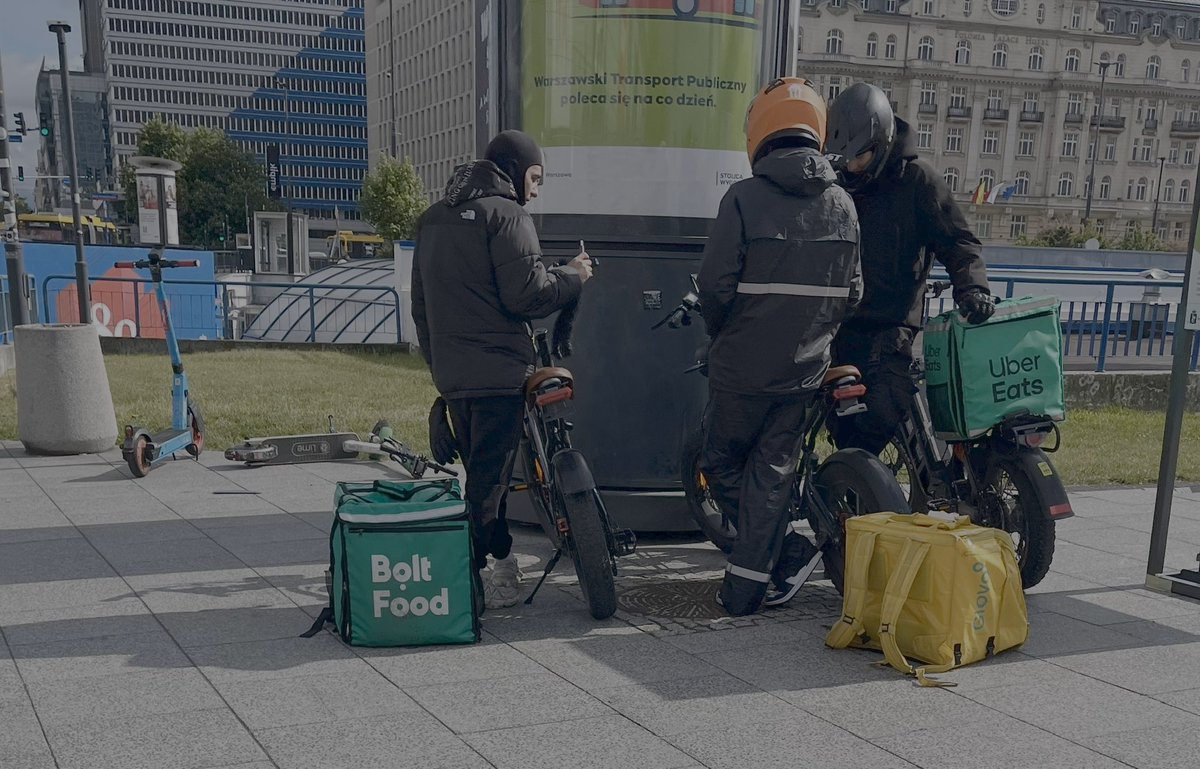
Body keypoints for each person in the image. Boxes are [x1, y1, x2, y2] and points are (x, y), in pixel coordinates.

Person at [697, 78, 862, 616]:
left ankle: (752, 581)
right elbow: (853, 292)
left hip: (741, 367)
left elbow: (715, 287)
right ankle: (779, 554)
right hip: (805, 371)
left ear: (760, 133)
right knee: (772, 472)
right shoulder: (842, 203)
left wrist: (722, 334)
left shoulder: (743, 198)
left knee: (719, 462)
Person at [411, 129, 593, 609]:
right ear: (512, 170)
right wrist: (572, 277)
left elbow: (421, 310)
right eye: (534, 177)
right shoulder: (506, 215)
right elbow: (528, 296)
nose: (535, 189)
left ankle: (500, 559)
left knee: (481, 474)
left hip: (453, 374)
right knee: (489, 485)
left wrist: (441, 370)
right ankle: (467, 585)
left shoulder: (431, 220)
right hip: (499, 372)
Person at [824, 83, 994, 456]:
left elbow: (958, 242)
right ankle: (848, 495)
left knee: (883, 408)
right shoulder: (835, 180)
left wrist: (973, 288)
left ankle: (865, 486)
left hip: (892, 323)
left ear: (882, 142)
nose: (852, 167)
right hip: (838, 325)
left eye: (860, 158)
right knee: (840, 421)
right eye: (844, 158)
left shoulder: (918, 181)